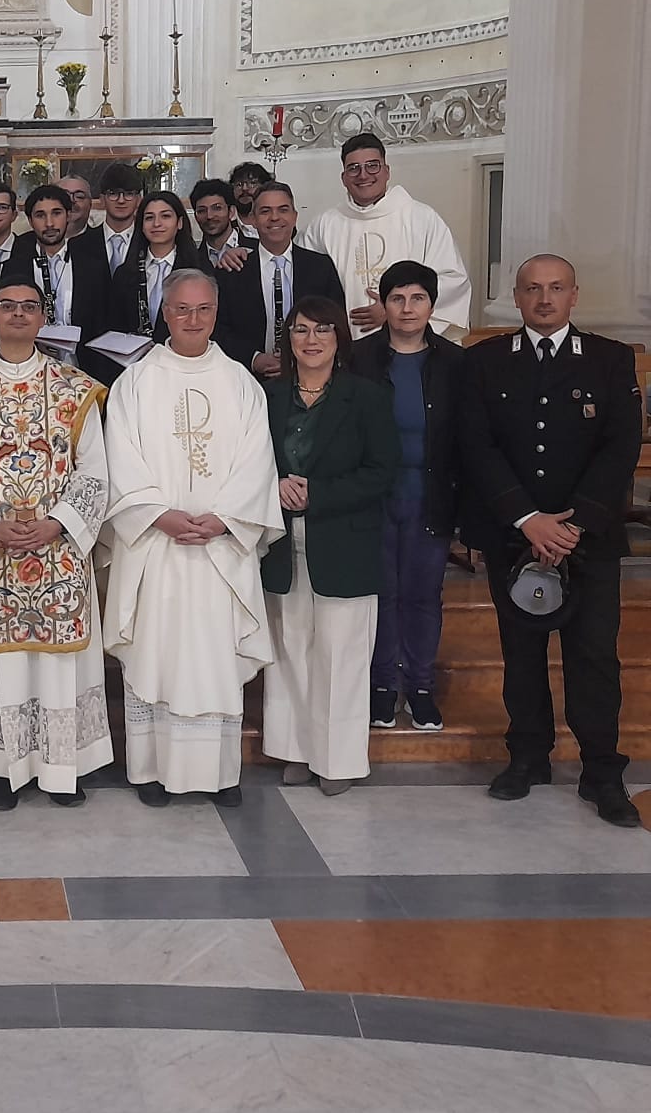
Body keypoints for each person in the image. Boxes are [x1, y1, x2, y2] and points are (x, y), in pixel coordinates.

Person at [459, 255, 643, 827]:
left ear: (574, 296)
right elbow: (476, 445)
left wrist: (571, 524)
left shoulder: (611, 360)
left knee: (593, 658)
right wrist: (526, 519)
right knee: (522, 655)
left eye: (556, 288)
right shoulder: (485, 361)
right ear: (515, 297)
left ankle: (602, 774)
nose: (544, 299)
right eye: (533, 289)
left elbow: (620, 448)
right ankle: (528, 759)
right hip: (516, 536)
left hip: (588, 540)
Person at [102, 269, 283, 805]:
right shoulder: (136, 381)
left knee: (215, 658)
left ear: (216, 312)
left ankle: (220, 774)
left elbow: (258, 461)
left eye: (203, 309)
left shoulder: (241, 384)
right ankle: (154, 771)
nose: (192, 319)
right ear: (164, 311)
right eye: (182, 309)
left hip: (221, 548)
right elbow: (120, 457)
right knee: (157, 655)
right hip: (156, 546)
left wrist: (226, 517)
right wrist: (158, 514)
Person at [0, 274, 112, 807]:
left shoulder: (76, 390)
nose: (17, 314)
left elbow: (95, 473)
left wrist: (59, 523)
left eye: (28, 306)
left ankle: (63, 768)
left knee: (55, 663)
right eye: (6, 306)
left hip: (56, 550)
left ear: (43, 317)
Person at [261, 297, 399, 794]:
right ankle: (297, 749)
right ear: (288, 340)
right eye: (300, 330)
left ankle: (337, 760)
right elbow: (250, 460)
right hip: (281, 540)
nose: (311, 339)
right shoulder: (269, 397)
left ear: (339, 337)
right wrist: (273, 484)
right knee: (291, 649)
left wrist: (318, 494)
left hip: (344, 540)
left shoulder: (366, 397)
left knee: (340, 655)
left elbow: (382, 472)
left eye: (322, 329)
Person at [351, 261, 463, 733]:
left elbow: (470, 435)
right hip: (373, 497)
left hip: (430, 494)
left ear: (433, 305)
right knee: (380, 593)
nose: (407, 308)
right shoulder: (358, 358)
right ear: (384, 304)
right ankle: (380, 686)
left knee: (422, 595)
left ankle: (419, 686)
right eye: (397, 298)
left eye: (418, 298)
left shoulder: (456, 363)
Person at [300, 133, 471, 340]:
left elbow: (451, 279)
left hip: (408, 345)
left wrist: (395, 310)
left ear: (387, 171)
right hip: (344, 346)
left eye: (373, 166)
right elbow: (305, 283)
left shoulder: (421, 218)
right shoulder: (324, 225)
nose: (363, 175)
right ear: (343, 177)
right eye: (354, 168)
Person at [213, 181, 345, 380]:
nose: (274, 218)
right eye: (265, 211)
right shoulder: (233, 269)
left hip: (312, 375)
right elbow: (218, 328)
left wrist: (300, 357)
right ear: (254, 220)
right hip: (248, 379)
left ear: (294, 217)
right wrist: (253, 358)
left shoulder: (320, 267)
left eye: (283, 210)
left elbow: (337, 322)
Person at [7, 183, 114, 380]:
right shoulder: (13, 268)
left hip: (84, 371)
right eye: (40, 215)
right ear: (30, 221)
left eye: (56, 213)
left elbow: (103, 324)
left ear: (68, 215)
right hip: (26, 371)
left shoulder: (94, 267)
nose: (49, 223)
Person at [108, 190, 200, 345]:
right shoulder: (124, 273)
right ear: (141, 226)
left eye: (165, 216)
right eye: (149, 218)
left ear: (180, 223)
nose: (157, 224)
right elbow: (115, 326)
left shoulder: (198, 271)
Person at [82, 163, 143, 275]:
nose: (121, 200)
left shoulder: (147, 241)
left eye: (129, 194)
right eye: (113, 194)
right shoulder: (80, 244)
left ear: (138, 200)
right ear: (102, 199)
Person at [189, 179, 242, 271]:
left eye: (217, 208)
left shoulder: (255, 249)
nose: (209, 216)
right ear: (195, 216)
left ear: (231, 212)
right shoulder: (191, 260)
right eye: (201, 210)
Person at [228, 161, 273, 239]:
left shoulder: (275, 219)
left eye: (252, 183)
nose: (244, 188)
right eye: (239, 184)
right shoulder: (225, 222)